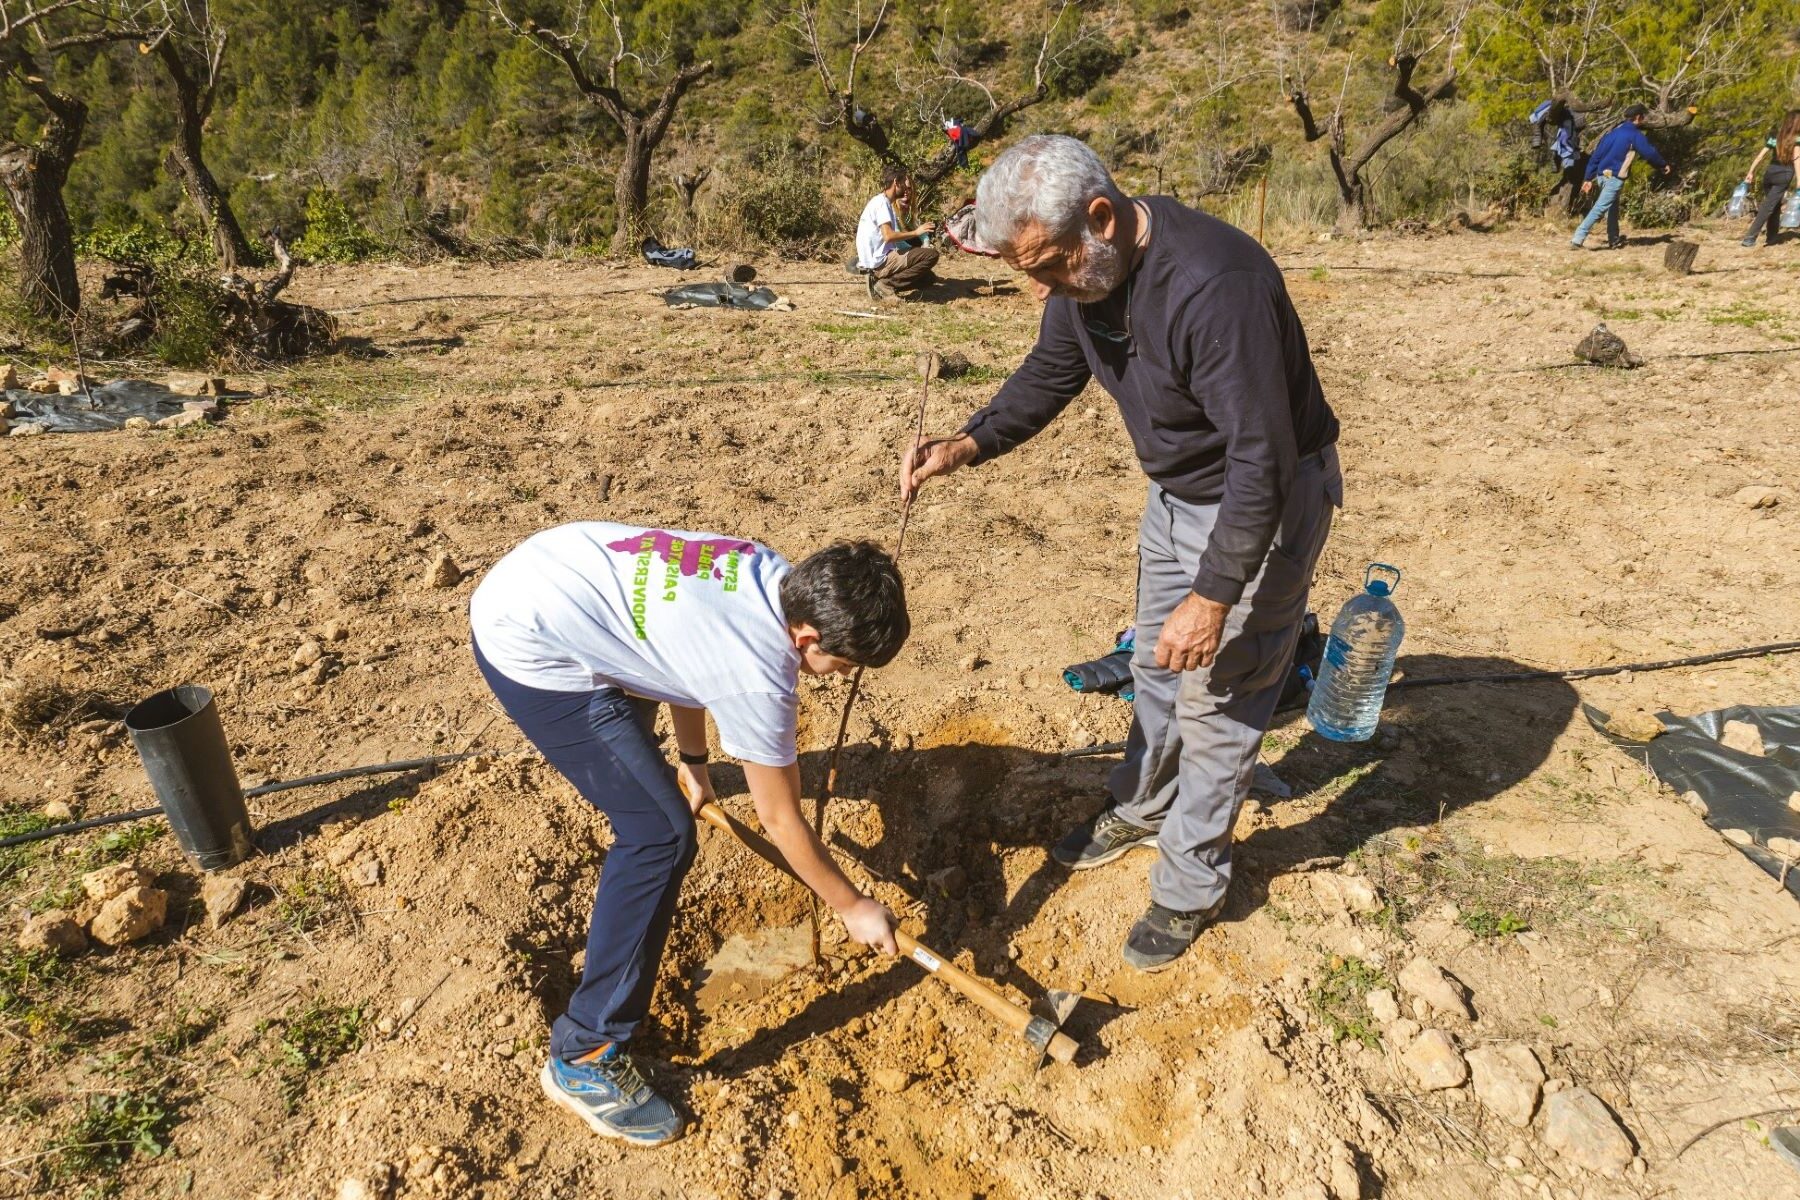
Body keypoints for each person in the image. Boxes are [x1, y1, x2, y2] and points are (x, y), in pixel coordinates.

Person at [899, 135, 1341, 973]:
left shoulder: (1217, 287)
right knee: (1152, 668)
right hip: (1176, 497)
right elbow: (1049, 372)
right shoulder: (1085, 273)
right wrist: (969, 442)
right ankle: (1139, 807)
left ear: (1102, 218)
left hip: (1262, 502)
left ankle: (1190, 885)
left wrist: (1214, 596)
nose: (1040, 287)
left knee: (1222, 699)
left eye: (1047, 265)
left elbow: (1263, 461)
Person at [469, 526, 908, 1146]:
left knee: (658, 793)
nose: (836, 676)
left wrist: (694, 759)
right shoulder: (758, 676)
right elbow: (780, 819)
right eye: (840, 663)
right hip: (530, 641)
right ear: (807, 636)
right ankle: (586, 1057)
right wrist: (852, 906)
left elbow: (684, 656)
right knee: (660, 835)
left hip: (551, 573)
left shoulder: (765, 571)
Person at [1571, 103, 1671, 250]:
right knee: (1600, 208)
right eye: (1643, 117)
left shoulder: (1611, 134)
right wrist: (1662, 165)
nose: (1644, 120)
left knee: (1613, 208)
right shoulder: (1635, 135)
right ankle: (1578, 238)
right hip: (1615, 178)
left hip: (1601, 176)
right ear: (1637, 118)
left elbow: (1595, 157)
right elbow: (1649, 152)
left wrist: (1588, 178)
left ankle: (1614, 239)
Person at [856, 163, 940, 301]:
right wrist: (916, 233)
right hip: (880, 262)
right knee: (931, 256)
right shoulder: (882, 204)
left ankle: (881, 283)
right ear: (896, 183)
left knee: (927, 278)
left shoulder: (880, 201)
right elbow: (888, 236)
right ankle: (886, 284)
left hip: (877, 259)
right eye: (903, 183)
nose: (906, 190)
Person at [1738, 109, 1800, 248]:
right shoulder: (1797, 140)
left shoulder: (1775, 137)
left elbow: (1761, 156)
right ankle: (1749, 238)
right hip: (1784, 175)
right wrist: (1799, 183)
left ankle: (1772, 236)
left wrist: (1751, 172)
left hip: (1769, 173)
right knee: (1768, 207)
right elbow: (1797, 160)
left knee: (1774, 204)